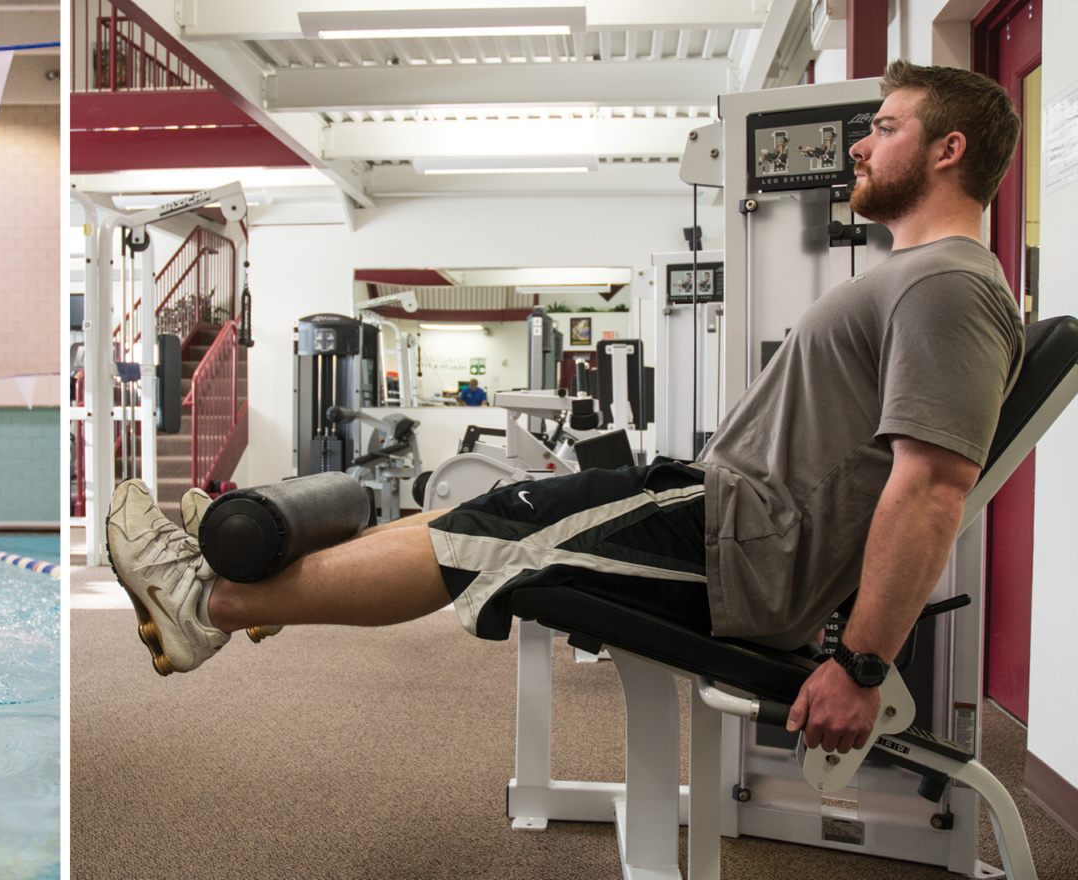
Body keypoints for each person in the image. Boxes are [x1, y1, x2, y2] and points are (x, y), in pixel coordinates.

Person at [109, 60, 1022, 760]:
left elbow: (934, 486)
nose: (860, 145)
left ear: (949, 151)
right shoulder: (919, 275)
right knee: (469, 514)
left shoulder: (951, 285)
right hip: (722, 514)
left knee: (487, 539)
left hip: (745, 545)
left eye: (887, 128)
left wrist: (862, 667)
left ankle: (212, 602)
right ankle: (254, 582)